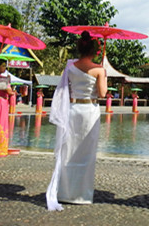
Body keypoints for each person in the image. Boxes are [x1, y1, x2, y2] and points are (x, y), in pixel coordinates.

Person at [46, 31, 107, 210]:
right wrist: (102, 75)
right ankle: (81, 194)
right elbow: (102, 93)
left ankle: (65, 192)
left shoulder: (70, 67)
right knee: (86, 152)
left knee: (69, 150)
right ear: (95, 51)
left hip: (72, 109)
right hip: (89, 110)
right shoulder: (99, 70)